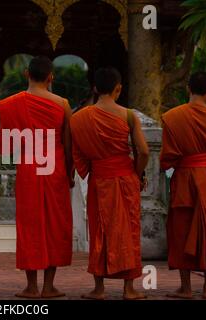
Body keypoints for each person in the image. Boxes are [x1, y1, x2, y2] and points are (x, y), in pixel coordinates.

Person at [0, 56, 73, 298]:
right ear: (51, 77)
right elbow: (69, 144)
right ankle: (49, 286)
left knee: (29, 223)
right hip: (55, 168)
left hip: (29, 167)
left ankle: (31, 286)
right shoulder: (62, 104)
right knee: (55, 223)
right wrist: (70, 173)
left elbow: (4, 144)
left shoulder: (12, 103)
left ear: (26, 75)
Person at [71, 67, 149, 300]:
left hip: (99, 179)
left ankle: (99, 288)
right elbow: (144, 151)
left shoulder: (78, 118)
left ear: (95, 88)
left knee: (99, 230)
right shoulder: (127, 115)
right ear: (118, 88)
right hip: (125, 177)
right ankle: (129, 288)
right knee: (129, 230)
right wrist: (136, 172)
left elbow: (77, 153)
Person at [161, 71, 206, 299]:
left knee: (181, 228)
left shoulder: (171, 117)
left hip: (184, 178)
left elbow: (167, 156)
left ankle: (186, 288)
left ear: (188, 89)